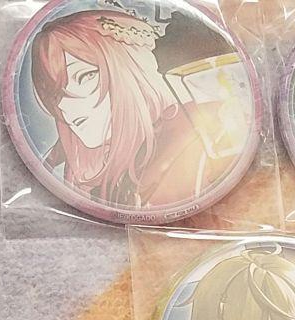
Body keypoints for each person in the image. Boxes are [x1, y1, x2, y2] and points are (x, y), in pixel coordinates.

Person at [30, 7, 235, 208]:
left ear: (131, 68)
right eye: (55, 92)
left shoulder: (201, 132)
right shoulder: (84, 167)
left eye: (85, 76)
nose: (65, 104)